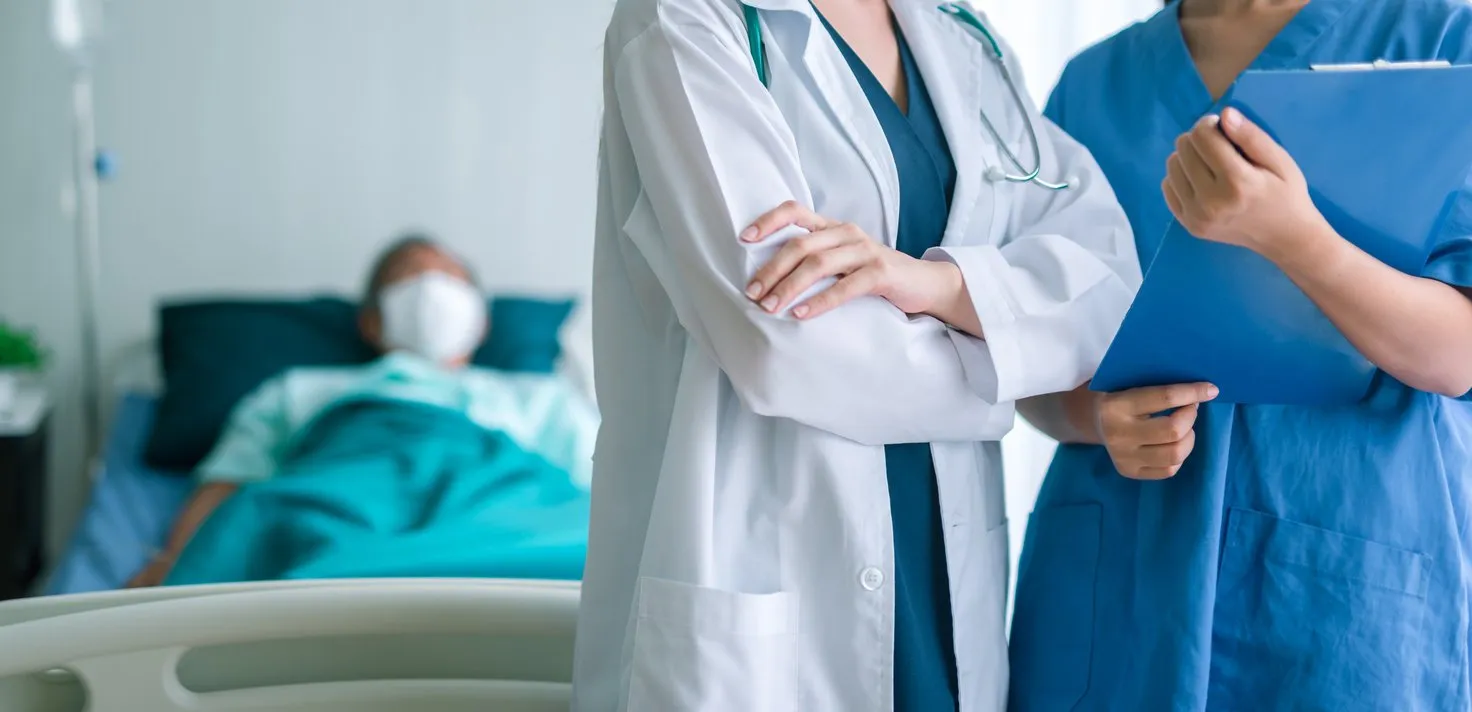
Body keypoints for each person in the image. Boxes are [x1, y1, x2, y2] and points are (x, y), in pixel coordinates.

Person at [574, 0, 1141, 709]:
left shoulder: (960, 34)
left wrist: (944, 285)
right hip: (769, 561)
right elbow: (784, 343)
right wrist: (1013, 362)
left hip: (940, 571)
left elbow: (1108, 281)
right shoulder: (686, 18)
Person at [1009, 0, 1472, 709]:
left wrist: (1297, 241)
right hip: (1115, 580)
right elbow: (1031, 356)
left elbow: (1459, 354)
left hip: (1341, 593)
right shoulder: (1093, 85)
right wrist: (1097, 419)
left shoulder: (1440, 41)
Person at [126, 235, 597, 587]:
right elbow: (226, 482)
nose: (430, 290)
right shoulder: (298, 389)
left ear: (482, 322)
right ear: (369, 320)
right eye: (409, 278)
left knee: (592, 553)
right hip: (339, 492)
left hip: (500, 501)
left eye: (449, 280)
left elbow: (611, 493)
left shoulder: (541, 398)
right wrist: (173, 564)